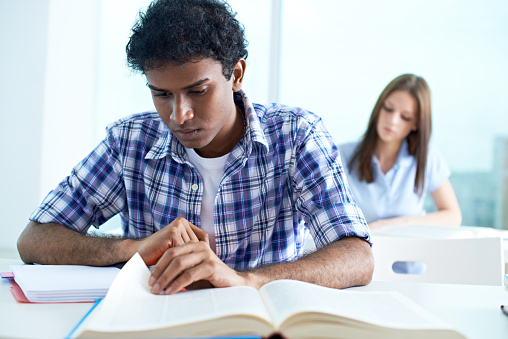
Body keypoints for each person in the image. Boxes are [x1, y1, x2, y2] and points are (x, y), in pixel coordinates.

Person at [17, 0, 373, 294]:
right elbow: (35, 238)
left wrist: (245, 281)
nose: (179, 114)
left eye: (198, 91)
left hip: (262, 323)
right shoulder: (127, 142)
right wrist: (133, 249)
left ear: (235, 74)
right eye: (161, 94)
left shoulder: (297, 135)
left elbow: (357, 257)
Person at [339, 74, 461, 273]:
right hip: (357, 273)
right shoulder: (342, 156)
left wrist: (399, 223)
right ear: (379, 108)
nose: (392, 120)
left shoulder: (426, 157)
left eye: (405, 117)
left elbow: (453, 216)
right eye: (388, 108)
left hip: (411, 276)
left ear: (416, 124)